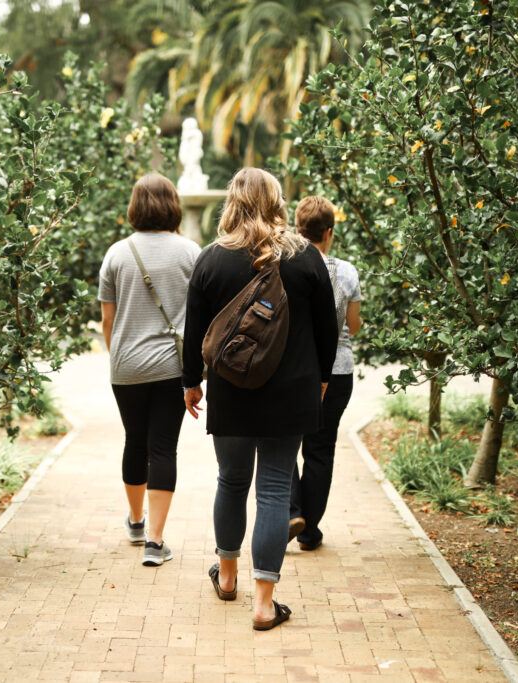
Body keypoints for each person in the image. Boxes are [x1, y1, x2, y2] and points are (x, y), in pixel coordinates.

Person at [182, 168, 338, 630]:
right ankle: (264, 603)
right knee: (273, 490)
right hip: (291, 394)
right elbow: (329, 329)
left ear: (232, 202)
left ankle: (227, 578)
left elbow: (195, 332)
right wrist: (323, 379)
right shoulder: (306, 257)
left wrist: (192, 382)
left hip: (231, 392)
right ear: (276, 201)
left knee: (230, 481)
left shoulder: (212, 259)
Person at [98, 173, 201, 567]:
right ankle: (155, 542)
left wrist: (118, 355)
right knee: (163, 448)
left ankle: (137, 522)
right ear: (173, 204)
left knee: (134, 441)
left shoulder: (116, 254)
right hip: (172, 368)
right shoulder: (191, 252)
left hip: (125, 367)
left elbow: (108, 319)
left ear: (135, 207)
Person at [288, 196, 364, 551]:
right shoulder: (346, 271)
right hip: (337, 371)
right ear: (329, 233)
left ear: (297, 229)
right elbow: (354, 326)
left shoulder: (284, 265)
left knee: (284, 443)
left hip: (295, 370)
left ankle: (292, 509)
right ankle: (309, 531)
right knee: (321, 449)